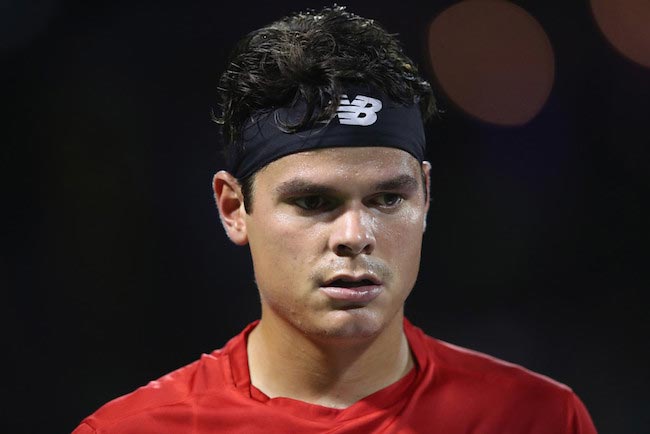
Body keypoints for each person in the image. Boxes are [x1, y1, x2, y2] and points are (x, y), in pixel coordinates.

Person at [73, 6, 597, 433]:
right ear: (234, 209)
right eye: (312, 203)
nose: (355, 236)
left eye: (388, 199)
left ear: (427, 197)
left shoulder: (536, 419)